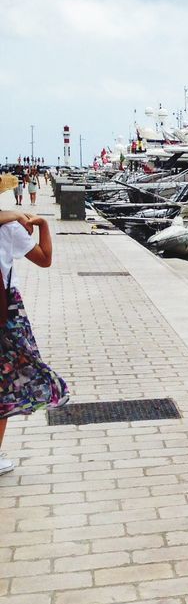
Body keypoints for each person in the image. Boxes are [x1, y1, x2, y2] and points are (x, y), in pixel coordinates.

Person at [0, 197, 68, 476]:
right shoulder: (10, 227)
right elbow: (44, 259)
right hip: (5, 311)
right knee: (5, 385)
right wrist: (42, 225)